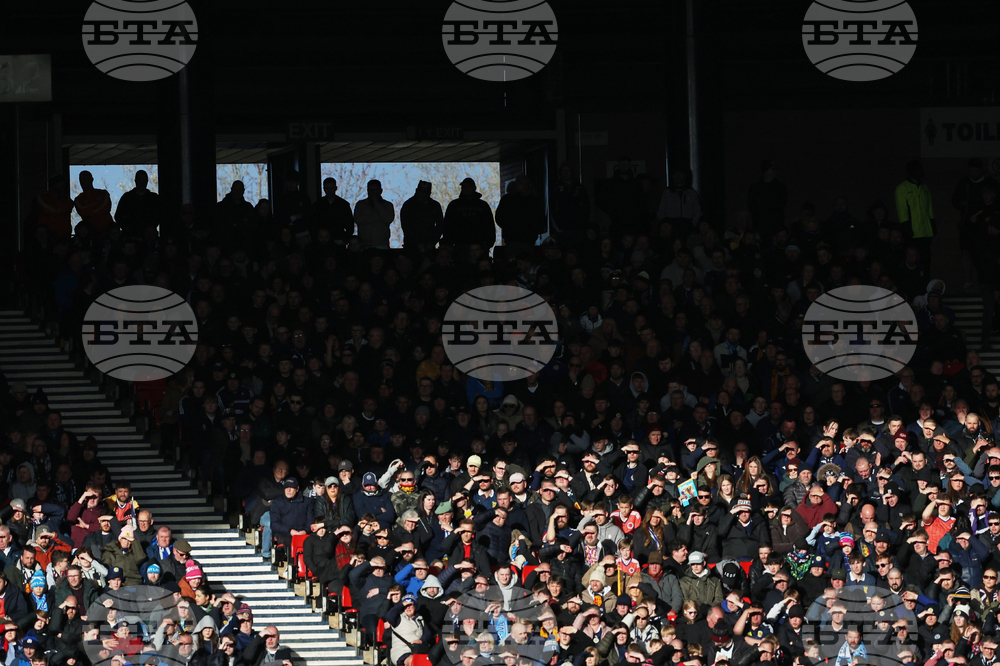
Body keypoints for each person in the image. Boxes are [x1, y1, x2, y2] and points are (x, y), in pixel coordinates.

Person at [895, 159, 936, 271]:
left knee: (926, 260)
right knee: (912, 261)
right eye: (919, 169)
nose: (921, 171)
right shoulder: (902, 188)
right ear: (912, 171)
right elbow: (902, 209)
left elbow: (929, 208)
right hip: (913, 233)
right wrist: (906, 227)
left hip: (926, 232)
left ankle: (925, 280)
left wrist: (932, 223)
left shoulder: (924, 187)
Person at [495, 176, 547, 258]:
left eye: (525, 184)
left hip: (527, 240)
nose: (523, 186)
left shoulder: (534, 201)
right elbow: (500, 218)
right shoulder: (508, 200)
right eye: (521, 183)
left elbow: (540, 219)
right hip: (514, 240)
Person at [441, 177, 496, 251]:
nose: (466, 189)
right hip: (459, 245)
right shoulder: (454, 205)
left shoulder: (483, 205)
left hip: (479, 246)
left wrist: (488, 244)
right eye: (464, 187)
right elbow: (447, 225)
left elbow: (489, 225)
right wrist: (448, 243)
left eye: (468, 187)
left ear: (474, 188)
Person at [114, 170, 162, 239]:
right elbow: (118, 216)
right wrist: (127, 228)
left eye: (143, 179)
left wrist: (152, 227)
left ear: (147, 181)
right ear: (135, 181)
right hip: (130, 236)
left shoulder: (154, 198)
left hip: (149, 237)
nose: (141, 182)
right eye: (140, 179)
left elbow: (160, 215)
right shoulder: (127, 198)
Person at [400, 181, 444, 251]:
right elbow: (406, 226)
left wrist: (432, 242)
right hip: (411, 245)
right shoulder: (408, 205)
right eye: (421, 192)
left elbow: (440, 225)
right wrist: (417, 243)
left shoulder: (435, 205)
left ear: (429, 193)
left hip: (429, 245)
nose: (423, 195)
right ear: (417, 191)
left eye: (425, 192)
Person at [311, 177, 355, 244]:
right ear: (324, 189)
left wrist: (345, 239)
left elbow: (350, 224)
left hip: (338, 239)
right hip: (322, 241)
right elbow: (313, 224)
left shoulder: (343, 205)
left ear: (336, 188)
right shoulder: (317, 205)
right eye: (327, 188)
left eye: (331, 188)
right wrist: (315, 239)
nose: (329, 191)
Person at [354, 180, 395, 250]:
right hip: (364, 244)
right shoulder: (361, 204)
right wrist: (378, 217)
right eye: (370, 190)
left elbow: (388, 219)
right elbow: (357, 220)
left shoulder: (387, 205)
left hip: (382, 244)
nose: (373, 193)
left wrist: (377, 204)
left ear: (380, 191)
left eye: (375, 190)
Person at [73, 171, 114, 241]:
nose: (84, 182)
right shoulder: (78, 199)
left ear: (92, 179)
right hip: (91, 235)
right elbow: (83, 212)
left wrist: (90, 210)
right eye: (81, 179)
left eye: (86, 178)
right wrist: (97, 207)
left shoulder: (103, 193)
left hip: (108, 232)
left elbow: (106, 207)